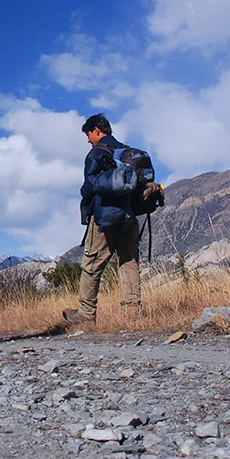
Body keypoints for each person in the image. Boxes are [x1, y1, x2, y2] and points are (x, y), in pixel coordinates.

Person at [63, 113, 141, 325]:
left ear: (97, 131)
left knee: (92, 264)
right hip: (129, 216)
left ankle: (86, 315)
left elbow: (89, 188)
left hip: (104, 217)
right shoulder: (129, 152)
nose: (88, 140)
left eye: (89, 135)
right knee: (129, 262)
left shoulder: (96, 154)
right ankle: (131, 316)